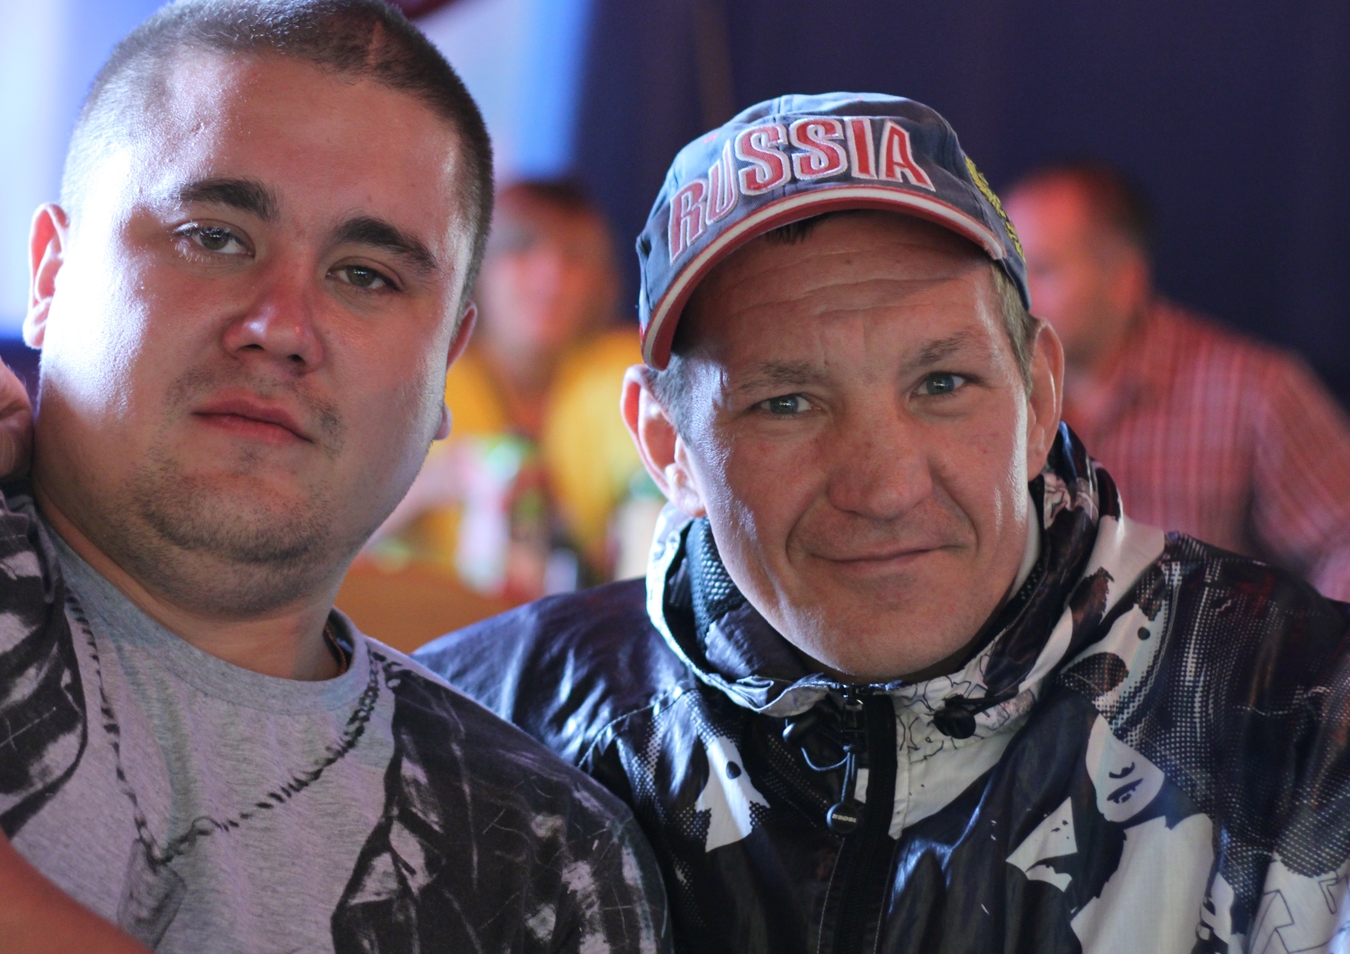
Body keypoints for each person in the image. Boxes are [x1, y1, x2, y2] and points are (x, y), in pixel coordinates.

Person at [0, 0, 669, 953]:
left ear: (446, 358)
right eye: (213, 236)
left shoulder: (544, 851)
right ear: (50, 275)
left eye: (365, 275)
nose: (281, 325)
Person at [410, 95, 1350, 951]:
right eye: (786, 402)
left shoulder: (1307, 719)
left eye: (943, 383)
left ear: (1037, 396)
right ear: (668, 446)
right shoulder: (468, 737)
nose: (886, 486)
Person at [1003, 160, 1350, 597]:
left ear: (1124, 280)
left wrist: (1305, 640)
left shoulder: (1252, 391)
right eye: (1009, 270)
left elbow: (1341, 540)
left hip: (1195, 639)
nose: (1019, 295)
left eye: (1043, 270)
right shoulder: (990, 387)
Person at [370, 179, 657, 595]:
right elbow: (325, 529)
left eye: (574, 257)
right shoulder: (411, 381)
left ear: (601, 282)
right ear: (475, 271)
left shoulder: (622, 375)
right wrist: (434, 483)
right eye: (521, 249)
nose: (550, 274)